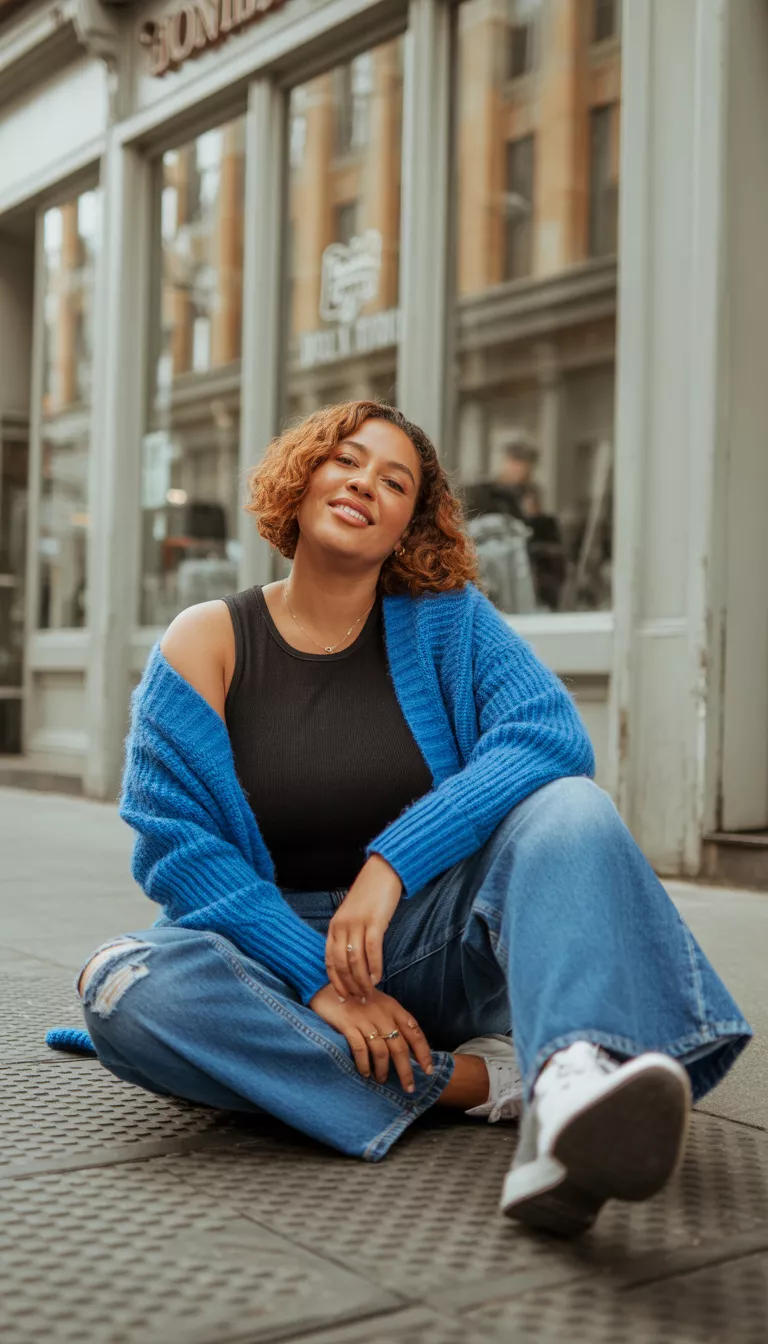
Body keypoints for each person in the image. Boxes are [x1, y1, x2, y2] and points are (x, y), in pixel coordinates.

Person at [76, 400, 750, 1238]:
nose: (366, 484)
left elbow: (548, 735)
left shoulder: (447, 619)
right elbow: (176, 844)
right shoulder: (206, 639)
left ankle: (569, 1081)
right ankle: (484, 1083)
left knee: (570, 806)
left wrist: (389, 865)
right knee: (123, 985)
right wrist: (321, 981)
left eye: (395, 483)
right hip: (268, 965)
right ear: (304, 476)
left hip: (430, 943)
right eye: (346, 460)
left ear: (409, 526)